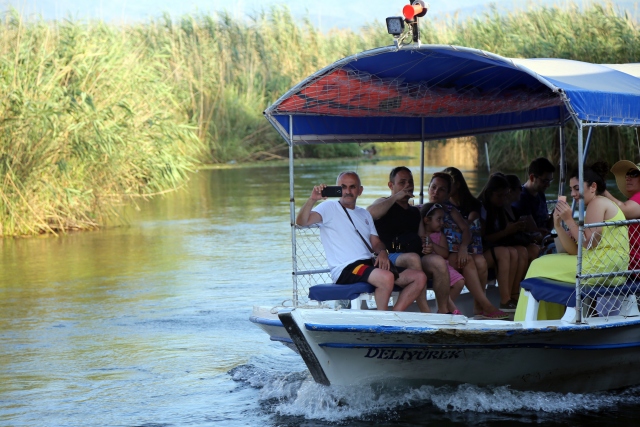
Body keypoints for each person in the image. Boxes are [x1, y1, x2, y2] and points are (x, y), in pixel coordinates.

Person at [514, 162, 630, 321]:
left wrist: (569, 220)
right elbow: (576, 252)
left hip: (603, 266)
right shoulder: (594, 204)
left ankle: (527, 321)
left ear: (593, 187)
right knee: (544, 260)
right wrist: (557, 225)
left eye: (577, 188)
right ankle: (546, 319)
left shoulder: (597, 203)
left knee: (537, 265)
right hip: (603, 264)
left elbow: (589, 243)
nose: (574, 194)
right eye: (571, 189)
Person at [296, 171, 426, 311]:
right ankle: (383, 320)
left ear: (360, 190)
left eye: (352, 187)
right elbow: (302, 222)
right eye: (343, 187)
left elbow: (375, 242)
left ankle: (394, 315)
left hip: (369, 264)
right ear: (338, 188)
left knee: (419, 277)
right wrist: (312, 199)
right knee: (387, 277)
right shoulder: (328, 207)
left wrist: (383, 252)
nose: (347, 191)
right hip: (346, 268)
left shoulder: (364, 214)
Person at [367, 166, 452, 313]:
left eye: (410, 182)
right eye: (402, 182)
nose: (408, 185)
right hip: (389, 258)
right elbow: (369, 213)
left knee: (438, 262)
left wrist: (427, 247)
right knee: (413, 258)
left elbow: (422, 237)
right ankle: (426, 312)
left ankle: (443, 311)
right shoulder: (384, 203)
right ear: (391, 185)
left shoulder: (415, 212)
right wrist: (395, 197)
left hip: (414, 255)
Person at [428, 173, 507, 319]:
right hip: (438, 257)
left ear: (448, 193)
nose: (436, 192)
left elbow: (466, 229)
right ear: (428, 188)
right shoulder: (423, 210)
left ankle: (479, 307)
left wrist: (464, 248)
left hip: (453, 252)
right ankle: (486, 306)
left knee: (480, 262)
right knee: (469, 261)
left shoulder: (450, 210)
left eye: (441, 189)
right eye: (433, 187)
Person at [478, 173, 529, 311]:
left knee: (519, 251)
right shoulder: (482, 208)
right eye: (499, 196)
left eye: (505, 195)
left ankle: (514, 295)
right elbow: (483, 238)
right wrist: (506, 232)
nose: (503, 199)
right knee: (505, 252)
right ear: (490, 193)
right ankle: (505, 299)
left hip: (496, 247)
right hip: (481, 251)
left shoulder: (500, 208)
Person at [604, 160, 640, 271]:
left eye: (634, 174)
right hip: (626, 259)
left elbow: (624, 210)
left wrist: (602, 191)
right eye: (627, 175)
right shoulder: (633, 200)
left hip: (634, 262)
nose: (628, 178)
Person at [513, 157, 556, 236]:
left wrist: (554, 215)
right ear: (532, 177)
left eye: (550, 181)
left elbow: (547, 228)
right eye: (545, 181)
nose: (548, 185)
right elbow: (534, 231)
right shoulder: (522, 197)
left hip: (544, 238)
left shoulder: (540, 193)